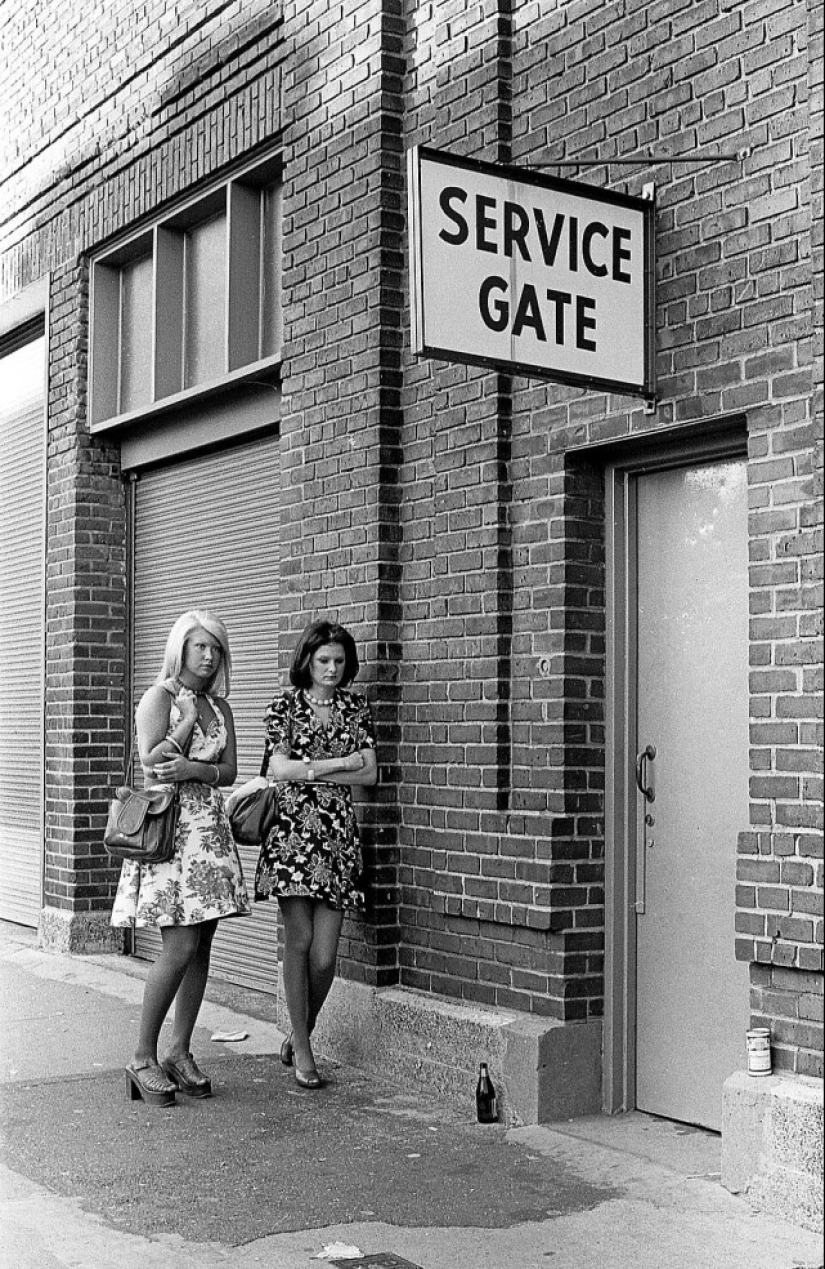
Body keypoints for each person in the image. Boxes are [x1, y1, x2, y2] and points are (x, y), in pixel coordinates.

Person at [227, 619, 377, 1089]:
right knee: (299, 941)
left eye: (339, 661)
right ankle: (305, 1052)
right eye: (323, 660)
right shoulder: (284, 707)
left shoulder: (356, 708)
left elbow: (370, 774)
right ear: (307, 662)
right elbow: (277, 768)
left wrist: (311, 769)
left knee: (325, 957)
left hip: (336, 838)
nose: (332, 669)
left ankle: (299, 1032)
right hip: (291, 834)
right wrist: (340, 763)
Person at [111, 609, 251, 1107]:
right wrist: (187, 724)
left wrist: (196, 765)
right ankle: (142, 1056)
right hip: (171, 831)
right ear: (180, 649)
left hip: (209, 832)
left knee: (201, 946)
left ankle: (179, 1050)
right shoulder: (161, 697)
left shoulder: (222, 707)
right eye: (200, 647)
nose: (210, 656)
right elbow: (151, 760)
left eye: (216, 648)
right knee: (178, 946)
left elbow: (230, 770)